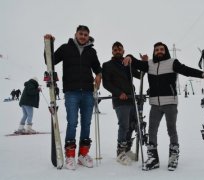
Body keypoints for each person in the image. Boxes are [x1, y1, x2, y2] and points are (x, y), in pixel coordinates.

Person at [123, 42, 204, 171]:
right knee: (152, 131)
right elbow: (135, 62)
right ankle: (153, 158)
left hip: (170, 103)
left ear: (165, 51)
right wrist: (129, 56)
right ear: (154, 51)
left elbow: (186, 70)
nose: (159, 51)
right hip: (155, 105)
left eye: (161, 49)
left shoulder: (172, 62)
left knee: (171, 130)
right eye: (157, 49)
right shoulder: (150, 64)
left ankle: (173, 155)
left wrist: (201, 74)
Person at [44, 25, 102, 170]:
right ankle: (70, 155)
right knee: (72, 122)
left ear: (88, 36)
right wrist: (49, 45)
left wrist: (99, 75)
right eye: (81, 34)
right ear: (75, 34)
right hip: (72, 92)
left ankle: (83, 154)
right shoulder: (65, 48)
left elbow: (97, 67)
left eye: (86, 34)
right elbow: (49, 61)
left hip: (88, 92)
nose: (83, 36)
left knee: (86, 123)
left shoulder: (91, 51)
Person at [102, 42, 141, 165]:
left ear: (123, 51)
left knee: (132, 124)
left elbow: (140, 75)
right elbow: (106, 83)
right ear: (112, 51)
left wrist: (144, 62)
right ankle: (120, 152)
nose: (117, 51)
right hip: (120, 100)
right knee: (124, 125)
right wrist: (119, 93)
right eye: (115, 49)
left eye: (119, 49)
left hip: (131, 98)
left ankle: (127, 149)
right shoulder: (107, 65)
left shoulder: (127, 64)